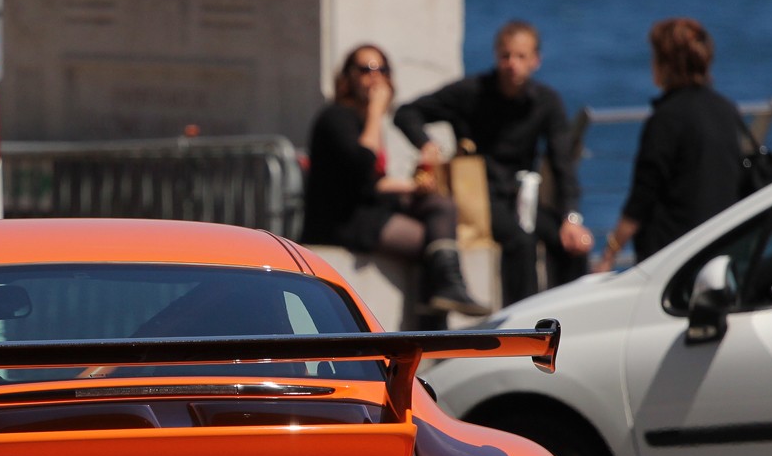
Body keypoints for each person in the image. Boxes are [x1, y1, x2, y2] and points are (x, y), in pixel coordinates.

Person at [394, 20, 591, 304]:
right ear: (497, 56)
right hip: (480, 194)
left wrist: (571, 218)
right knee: (520, 243)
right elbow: (407, 113)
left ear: (535, 61)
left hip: (523, 194)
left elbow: (563, 164)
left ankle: (572, 315)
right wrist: (426, 143)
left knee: (570, 244)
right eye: (506, 56)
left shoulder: (547, 101)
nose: (512, 64)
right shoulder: (471, 92)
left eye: (521, 57)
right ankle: (524, 324)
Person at [303, 44, 491, 317]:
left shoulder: (364, 119)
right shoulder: (335, 117)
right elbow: (362, 166)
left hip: (369, 206)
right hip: (343, 218)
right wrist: (377, 113)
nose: (374, 76)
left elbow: (374, 181)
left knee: (440, 205)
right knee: (426, 240)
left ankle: (449, 290)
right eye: (365, 69)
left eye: (382, 69)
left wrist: (416, 186)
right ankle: (432, 317)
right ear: (348, 77)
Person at [595, 18, 745, 271]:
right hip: (720, 248)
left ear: (667, 64)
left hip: (670, 257)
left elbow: (642, 197)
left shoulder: (666, 119)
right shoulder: (727, 111)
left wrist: (609, 253)